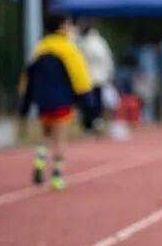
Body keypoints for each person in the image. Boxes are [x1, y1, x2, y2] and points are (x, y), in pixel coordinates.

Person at [19, 14, 93, 191]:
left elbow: (28, 76)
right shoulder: (68, 49)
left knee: (45, 134)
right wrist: (87, 100)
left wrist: (25, 101)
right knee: (60, 139)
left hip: (43, 102)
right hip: (62, 102)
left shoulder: (40, 48)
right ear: (62, 26)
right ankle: (57, 176)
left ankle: (40, 159)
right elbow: (80, 77)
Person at [77, 20, 114, 134]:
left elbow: (107, 59)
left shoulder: (98, 42)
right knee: (86, 105)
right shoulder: (78, 41)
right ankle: (89, 126)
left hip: (97, 79)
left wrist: (109, 74)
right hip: (84, 79)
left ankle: (96, 123)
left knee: (96, 103)